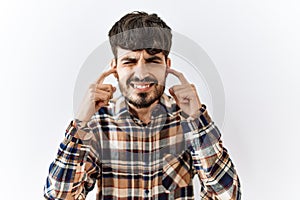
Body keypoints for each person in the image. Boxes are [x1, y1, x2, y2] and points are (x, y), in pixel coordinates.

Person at [44, 11, 241, 199]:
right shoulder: (98, 124)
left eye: (153, 61)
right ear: (115, 68)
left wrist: (198, 120)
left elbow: (227, 196)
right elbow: (59, 196)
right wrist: (80, 123)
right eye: (129, 61)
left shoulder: (188, 122)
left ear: (167, 65)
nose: (141, 72)